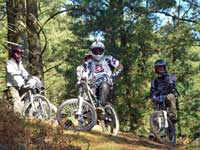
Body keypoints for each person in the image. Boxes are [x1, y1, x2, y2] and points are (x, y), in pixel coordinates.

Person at [76, 40, 123, 108]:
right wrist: (81, 79)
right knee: (86, 96)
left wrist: (113, 76)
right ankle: (85, 114)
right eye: (95, 51)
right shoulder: (89, 62)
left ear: (103, 51)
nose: (98, 53)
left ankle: (101, 109)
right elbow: (83, 71)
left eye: (99, 50)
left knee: (104, 86)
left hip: (105, 82)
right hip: (93, 84)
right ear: (92, 51)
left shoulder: (108, 58)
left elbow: (120, 66)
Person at [149, 59, 179, 139]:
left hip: (167, 96)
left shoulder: (171, 77)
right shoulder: (154, 81)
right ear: (156, 69)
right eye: (158, 68)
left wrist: (172, 84)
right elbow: (152, 91)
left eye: (161, 68)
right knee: (156, 113)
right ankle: (153, 133)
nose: (160, 70)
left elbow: (174, 85)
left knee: (171, 97)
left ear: (165, 68)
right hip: (159, 98)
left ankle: (172, 117)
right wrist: (153, 97)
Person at [6, 45, 29, 115]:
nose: (19, 55)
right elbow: (10, 71)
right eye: (17, 53)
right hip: (12, 86)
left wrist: (29, 76)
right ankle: (17, 117)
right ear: (13, 53)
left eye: (20, 53)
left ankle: (26, 114)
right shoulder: (9, 62)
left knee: (26, 98)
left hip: (20, 85)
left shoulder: (19, 63)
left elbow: (24, 71)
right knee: (17, 100)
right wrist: (20, 72)